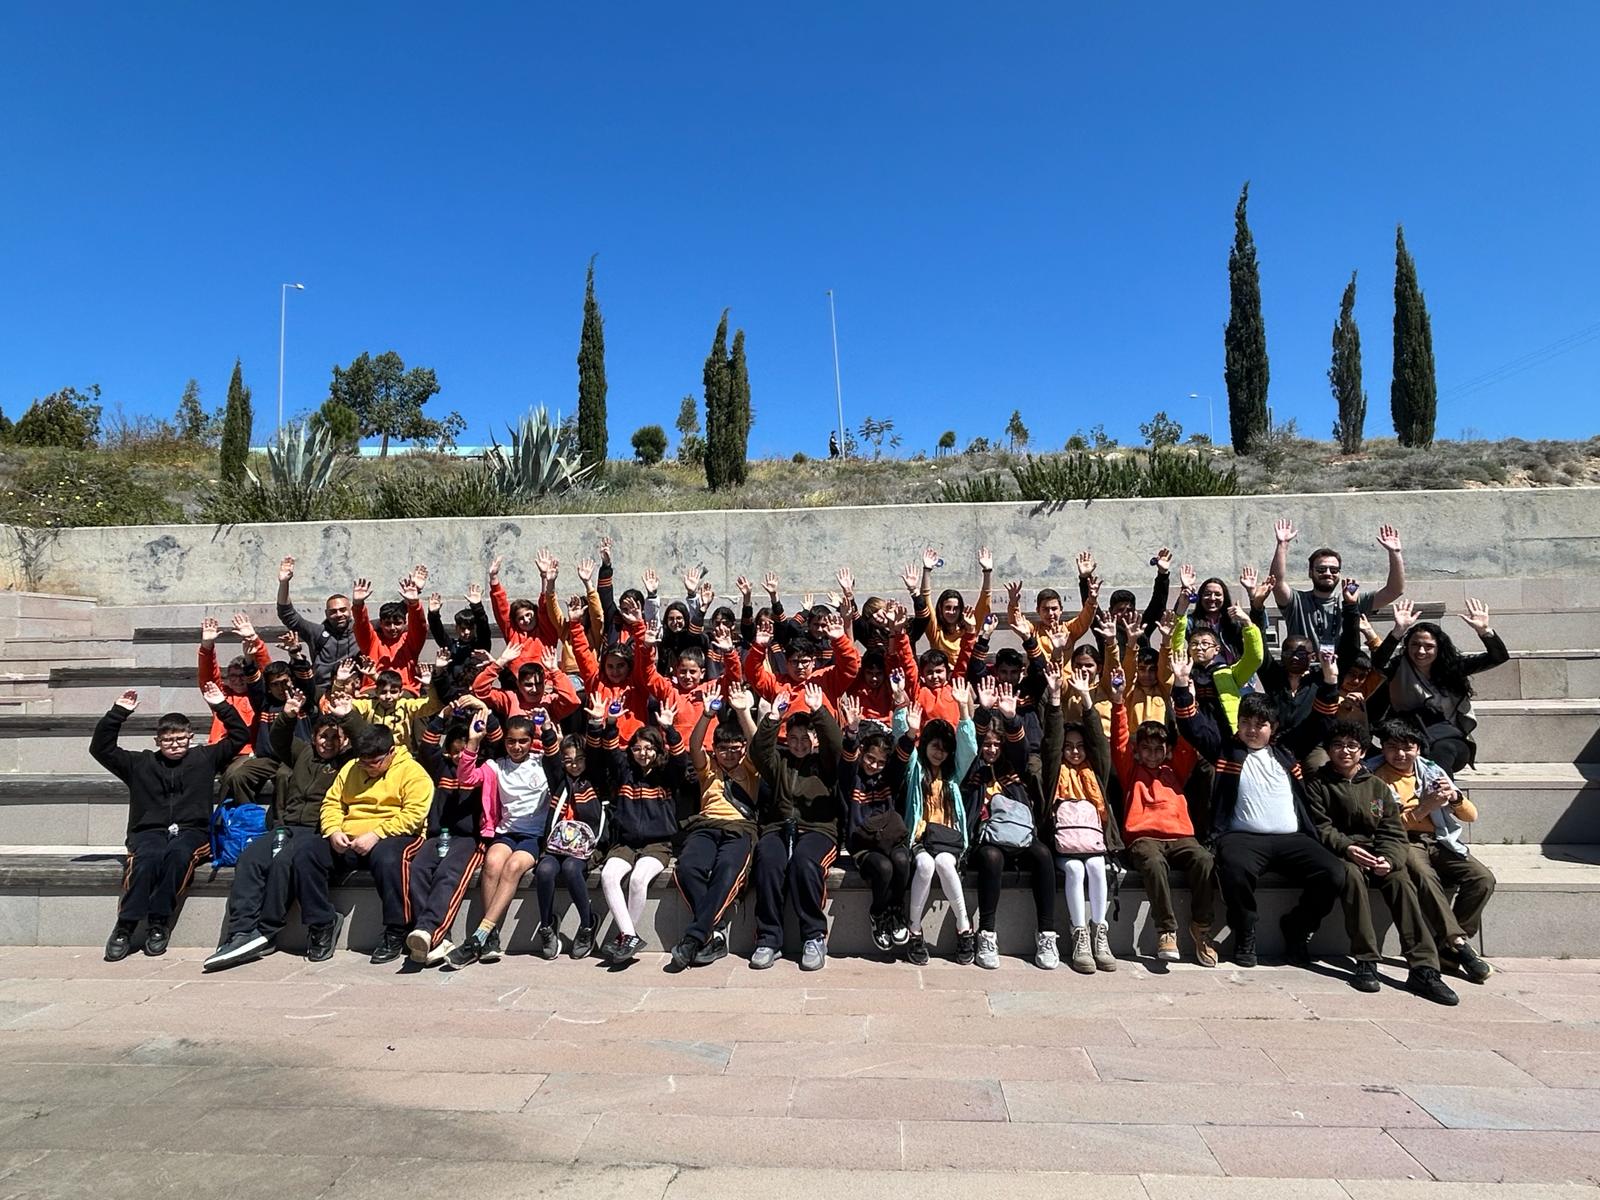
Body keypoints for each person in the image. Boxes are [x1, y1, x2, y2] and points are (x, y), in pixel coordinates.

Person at [1174, 642, 1346, 970]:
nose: (1252, 730)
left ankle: (1298, 927)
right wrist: (1182, 686)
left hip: (1293, 839)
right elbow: (1192, 726)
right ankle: (1245, 931)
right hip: (1242, 838)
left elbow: (1321, 721)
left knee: (1334, 873)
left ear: (1273, 728)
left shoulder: (1287, 750)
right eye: (1246, 723)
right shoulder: (1225, 750)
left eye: (1260, 724)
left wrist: (1329, 680)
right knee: (1234, 870)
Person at [203, 689, 366, 970]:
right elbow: (279, 739)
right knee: (250, 858)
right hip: (286, 827)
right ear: (313, 737)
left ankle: (266, 930)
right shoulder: (303, 753)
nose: (328, 742)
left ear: (344, 741)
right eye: (323, 736)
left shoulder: (348, 762)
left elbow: (365, 742)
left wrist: (348, 717)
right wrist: (288, 715)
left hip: (317, 831)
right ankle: (240, 930)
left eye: (335, 738)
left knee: (284, 863)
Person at [1304, 721, 1459, 1004]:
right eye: (1338, 745)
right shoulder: (1317, 785)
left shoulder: (1377, 786)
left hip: (1377, 851)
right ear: (1328, 750)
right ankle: (1366, 959)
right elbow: (1321, 827)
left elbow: (1392, 831)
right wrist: (1348, 847)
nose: (1345, 751)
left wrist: (1389, 859)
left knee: (1401, 880)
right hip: (1341, 852)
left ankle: (1424, 967)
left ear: (1363, 752)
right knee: (1351, 877)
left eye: (1352, 746)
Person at [91, 683, 248, 961]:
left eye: (180, 739)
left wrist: (220, 706)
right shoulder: (139, 764)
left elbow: (240, 735)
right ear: (157, 741)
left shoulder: (205, 757)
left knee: (177, 856)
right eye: (167, 740)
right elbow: (101, 748)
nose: (174, 745)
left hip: (193, 832)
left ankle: (158, 922)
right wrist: (118, 713)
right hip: (148, 831)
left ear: (191, 737)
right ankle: (125, 926)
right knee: (148, 858)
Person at [1372, 719, 1496, 984]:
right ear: (1382, 748)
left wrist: (1455, 798)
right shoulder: (1376, 778)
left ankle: (1446, 950)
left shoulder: (1431, 770)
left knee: (1482, 878)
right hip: (1403, 841)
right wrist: (1424, 807)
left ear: (1418, 748)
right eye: (1392, 747)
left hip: (1440, 839)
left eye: (1407, 747)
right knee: (1426, 878)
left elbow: (1471, 816)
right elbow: (1385, 825)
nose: (1400, 754)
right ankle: (1459, 944)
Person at [1109, 669, 1217, 967]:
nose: (1153, 755)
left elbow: (1188, 741)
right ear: (1137, 751)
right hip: (1144, 838)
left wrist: (1186, 698)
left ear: (1167, 751)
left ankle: (1201, 927)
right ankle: (1166, 930)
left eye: (1159, 750)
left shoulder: (1175, 769)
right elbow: (1118, 742)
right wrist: (1118, 702)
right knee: (1154, 863)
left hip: (1182, 837)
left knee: (1204, 859)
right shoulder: (1131, 771)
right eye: (1146, 749)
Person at [443, 712, 564, 969]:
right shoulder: (496, 766)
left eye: (523, 741)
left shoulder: (541, 762)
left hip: (534, 836)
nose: (517, 746)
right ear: (505, 741)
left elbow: (557, 763)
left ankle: (480, 935)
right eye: (511, 741)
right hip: (505, 832)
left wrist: (548, 731)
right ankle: (491, 936)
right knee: (492, 863)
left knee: (512, 867)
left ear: (531, 741)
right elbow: (466, 779)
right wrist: (473, 742)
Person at [314, 724, 433, 964]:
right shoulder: (350, 768)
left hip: (397, 835)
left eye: (375, 762)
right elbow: (332, 803)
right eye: (363, 762)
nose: (368, 767)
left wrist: (378, 834)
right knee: (308, 852)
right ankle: (321, 922)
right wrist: (333, 830)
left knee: (388, 858)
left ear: (391, 752)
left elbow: (414, 815)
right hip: (350, 837)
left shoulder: (413, 772)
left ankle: (397, 929)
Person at [748, 683, 845, 970]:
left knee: (805, 863)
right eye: (793, 738)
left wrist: (819, 712)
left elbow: (836, 745)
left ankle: (814, 936)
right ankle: (768, 938)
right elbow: (758, 752)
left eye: (805, 738)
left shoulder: (824, 763)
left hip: (819, 830)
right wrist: (773, 718)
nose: (799, 744)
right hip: (779, 828)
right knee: (768, 860)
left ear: (814, 739)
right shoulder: (779, 762)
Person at [593, 693, 694, 956]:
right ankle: (629, 936)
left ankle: (625, 938)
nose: (643, 753)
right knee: (608, 875)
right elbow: (610, 750)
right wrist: (611, 722)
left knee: (638, 879)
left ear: (657, 750)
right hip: (625, 843)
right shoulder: (624, 773)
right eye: (637, 748)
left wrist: (669, 729)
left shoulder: (667, 776)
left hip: (657, 845)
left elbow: (680, 759)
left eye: (649, 748)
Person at [967, 677, 1057, 970]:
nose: (992, 749)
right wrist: (983, 712)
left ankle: (1046, 933)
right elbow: (969, 744)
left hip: (1018, 835)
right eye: (987, 744)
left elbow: (1020, 748)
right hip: (985, 840)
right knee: (992, 858)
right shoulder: (973, 768)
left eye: (997, 744)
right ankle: (987, 933)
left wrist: (1010, 718)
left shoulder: (1012, 768)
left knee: (1042, 854)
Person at [668, 685, 760, 968]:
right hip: (705, 827)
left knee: (727, 870)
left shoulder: (750, 767)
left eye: (735, 749)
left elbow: (758, 744)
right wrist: (707, 715)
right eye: (723, 749)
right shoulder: (708, 768)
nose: (729, 755)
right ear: (715, 750)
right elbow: (694, 745)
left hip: (740, 828)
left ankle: (694, 937)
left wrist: (743, 712)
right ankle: (714, 932)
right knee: (687, 868)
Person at [1042, 663, 1120, 973]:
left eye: (1080, 747)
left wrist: (1087, 698)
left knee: (1097, 866)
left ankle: (1100, 933)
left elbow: (1100, 741)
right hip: (1063, 846)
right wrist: (1055, 699)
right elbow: (1051, 742)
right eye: (1069, 748)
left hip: (1094, 844)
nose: (1074, 752)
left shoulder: (1096, 771)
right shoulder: (1054, 772)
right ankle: (1079, 935)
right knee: (1075, 869)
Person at [405, 697, 494, 966]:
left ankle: (429, 932)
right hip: (439, 835)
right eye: (455, 752)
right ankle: (434, 937)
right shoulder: (441, 768)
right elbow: (427, 744)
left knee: (447, 875)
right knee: (418, 869)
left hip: (468, 839)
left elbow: (497, 739)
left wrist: (483, 712)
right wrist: (443, 715)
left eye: (464, 750)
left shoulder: (483, 770)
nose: (459, 757)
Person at [1373, 597, 1509, 772]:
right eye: (1415, 645)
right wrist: (1397, 632)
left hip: (1450, 740)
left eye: (1428, 646)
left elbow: (1498, 657)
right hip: (1407, 741)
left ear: (1439, 648)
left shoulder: (1452, 667)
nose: (1421, 651)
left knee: (1442, 750)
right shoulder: (1398, 666)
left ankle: (1440, 787)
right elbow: (1377, 666)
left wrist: (1484, 631)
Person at [896, 677, 978, 965]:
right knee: (925, 865)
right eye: (934, 745)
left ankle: (964, 927)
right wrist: (903, 714)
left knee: (943, 862)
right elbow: (901, 745)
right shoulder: (916, 769)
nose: (938, 752)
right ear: (926, 745)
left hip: (948, 838)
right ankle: (914, 929)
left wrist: (964, 710)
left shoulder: (953, 775)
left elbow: (969, 748)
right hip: (920, 839)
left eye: (944, 748)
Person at [837, 692, 913, 954]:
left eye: (880, 762)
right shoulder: (852, 778)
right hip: (864, 845)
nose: (874, 765)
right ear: (862, 755)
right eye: (870, 758)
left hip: (891, 839)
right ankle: (878, 913)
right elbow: (847, 761)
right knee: (884, 868)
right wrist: (852, 732)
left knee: (902, 861)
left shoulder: (887, 778)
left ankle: (896, 910)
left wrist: (911, 734)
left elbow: (900, 762)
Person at [1269, 520, 1406, 649]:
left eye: (1334, 570)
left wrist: (1395, 553)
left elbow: (1394, 591)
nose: (1328, 573)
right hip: (1305, 665)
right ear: (1310, 573)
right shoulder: (1297, 601)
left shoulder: (1352, 602)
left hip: (1344, 667)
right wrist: (1282, 545)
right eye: (1321, 569)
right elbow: (1277, 583)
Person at [198, 613, 277, 805]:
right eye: (233, 676)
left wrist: (254, 640)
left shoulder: (260, 695)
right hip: (220, 751)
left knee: (233, 775)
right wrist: (207, 646)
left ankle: (230, 817)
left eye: (242, 675)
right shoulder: (222, 695)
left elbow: (268, 671)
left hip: (246, 754)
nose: (238, 680)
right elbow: (208, 677)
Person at [276, 555, 358, 689]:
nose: (339, 615)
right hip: (323, 691)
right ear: (326, 613)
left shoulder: (363, 631)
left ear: (351, 610)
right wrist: (284, 583)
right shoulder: (317, 632)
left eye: (343, 610)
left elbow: (392, 621)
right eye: (333, 611)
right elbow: (287, 615)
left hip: (354, 691)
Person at [352, 568, 430, 693]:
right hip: (372, 692)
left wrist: (414, 602)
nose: (392, 628)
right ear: (381, 624)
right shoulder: (372, 641)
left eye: (397, 623)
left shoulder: (410, 641)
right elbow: (361, 625)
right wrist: (358, 604)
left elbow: (419, 626)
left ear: (405, 623)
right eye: (388, 624)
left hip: (405, 692)